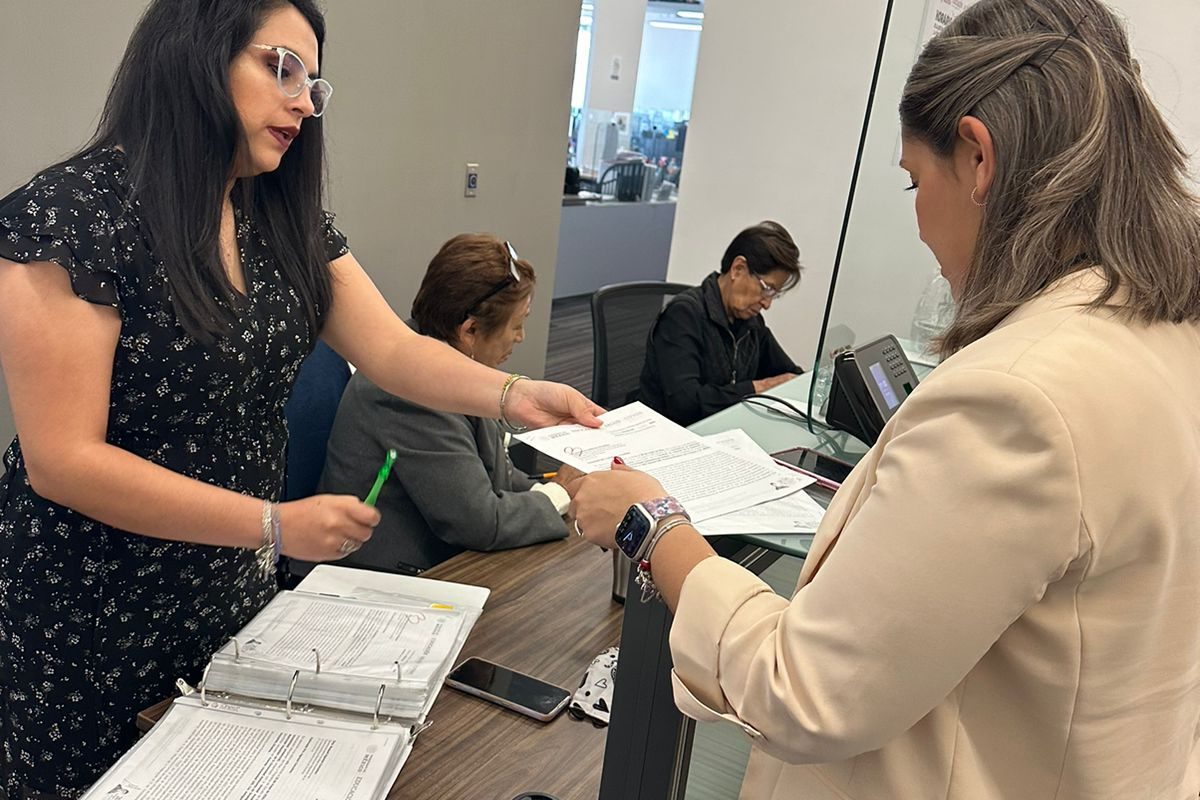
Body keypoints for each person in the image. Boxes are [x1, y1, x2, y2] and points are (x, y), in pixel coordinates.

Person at [570, 1, 1200, 797]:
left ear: (978, 158)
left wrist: (652, 521)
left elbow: (802, 689)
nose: (917, 221)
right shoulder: (1168, 333)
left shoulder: (1021, 401)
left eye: (912, 178)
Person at [0, 1, 599, 796]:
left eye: (314, 83)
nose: (304, 102)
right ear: (194, 57)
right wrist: (274, 524)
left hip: (228, 589)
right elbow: (63, 463)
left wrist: (515, 394)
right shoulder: (72, 215)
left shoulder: (280, 215)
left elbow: (390, 350)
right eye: (280, 68)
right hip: (93, 609)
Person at [315, 234, 582, 574]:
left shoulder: (454, 366)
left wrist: (555, 491)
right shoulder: (407, 392)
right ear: (470, 330)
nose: (521, 337)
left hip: (439, 558)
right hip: (386, 579)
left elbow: (495, 476)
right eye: (517, 324)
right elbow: (481, 523)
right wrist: (558, 494)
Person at [638, 221, 803, 426]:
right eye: (767, 288)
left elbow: (790, 374)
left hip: (722, 431)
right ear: (738, 269)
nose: (767, 303)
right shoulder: (684, 315)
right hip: (666, 433)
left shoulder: (751, 323)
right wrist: (757, 388)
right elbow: (685, 403)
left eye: (774, 294)